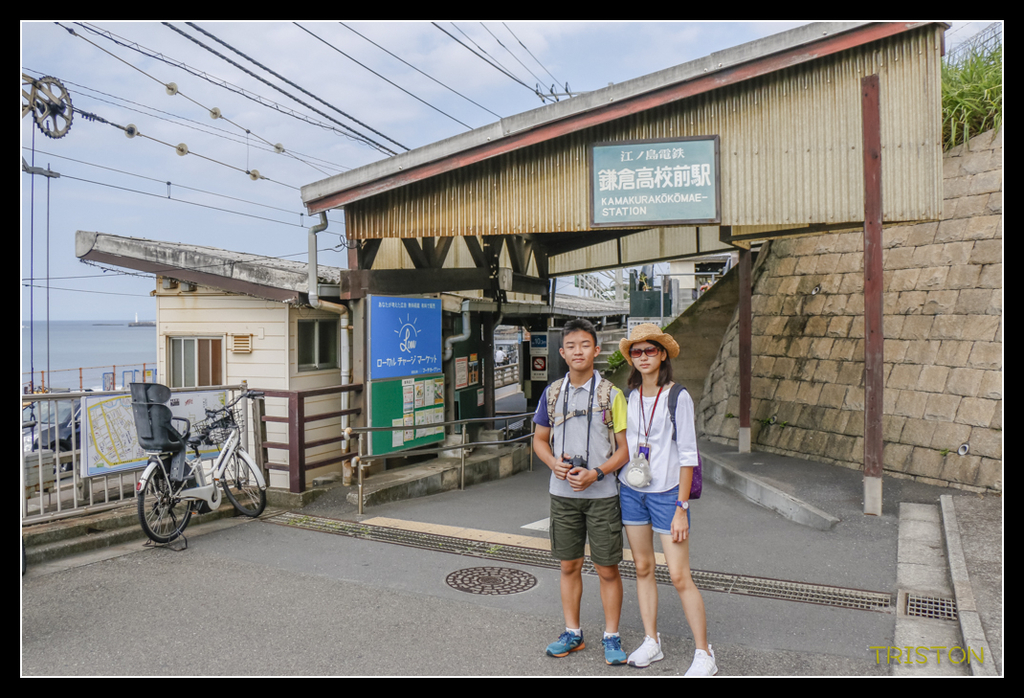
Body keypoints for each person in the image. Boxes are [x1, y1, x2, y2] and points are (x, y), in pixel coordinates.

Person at [617, 323, 718, 676]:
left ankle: (704, 653)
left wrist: (681, 507)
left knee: (679, 575)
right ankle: (651, 641)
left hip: (666, 496)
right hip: (632, 491)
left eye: (650, 350)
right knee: (642, 568)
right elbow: (624, 444)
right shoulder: (628, 397)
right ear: (630, 358)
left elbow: (688, 455)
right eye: (636, 352)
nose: (643, 357)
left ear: (662, 354)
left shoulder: (678, 396)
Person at [533, 318, 630, 665]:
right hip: (562, 493)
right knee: (569, 565)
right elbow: (540, 440)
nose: (578, 351)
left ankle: (611, 635)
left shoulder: (612, 395)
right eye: (571, 346)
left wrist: (597, 472)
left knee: (607, 568)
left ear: (596, 349)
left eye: (584, 345)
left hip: (602, 494)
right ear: (562, 352)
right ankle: (573, 633)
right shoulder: (552, 393)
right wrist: (552, 464)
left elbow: (624, 449)